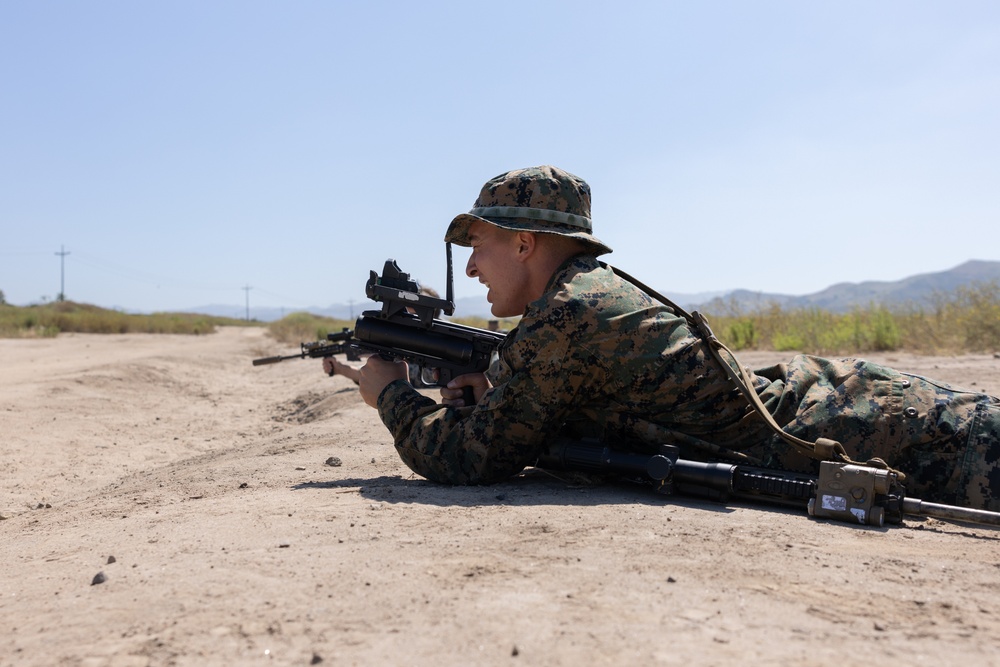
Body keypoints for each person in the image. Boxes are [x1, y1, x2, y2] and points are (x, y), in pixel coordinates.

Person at [358, 165, 1000, 512]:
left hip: (865, 427)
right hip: (837, 405)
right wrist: (497, 379)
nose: (470, 268)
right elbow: (573, 386)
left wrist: (389, 392)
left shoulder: (570, 315)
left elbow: (465, 458)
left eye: (480, 246)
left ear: (524, 243)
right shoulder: (582, 297)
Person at [324, 285, 443, 386]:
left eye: (414, 314)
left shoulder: (442, 342)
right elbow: (373, 375)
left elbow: (394, 377)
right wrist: (339, 368)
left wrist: (384, 358)